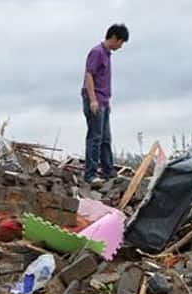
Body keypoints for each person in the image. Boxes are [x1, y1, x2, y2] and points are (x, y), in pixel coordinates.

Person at [82, 23, 129, 184]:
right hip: (95, 99)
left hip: (104, 101)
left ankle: (109, 172)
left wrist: (106, 102)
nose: (121, 46)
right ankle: (90, 175)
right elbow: (89, 75)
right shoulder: (97, 52)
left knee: (105, 138)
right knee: (95, 137)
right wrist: (93, 100)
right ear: (114, 38)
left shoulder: (107, 55)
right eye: (121, 42)